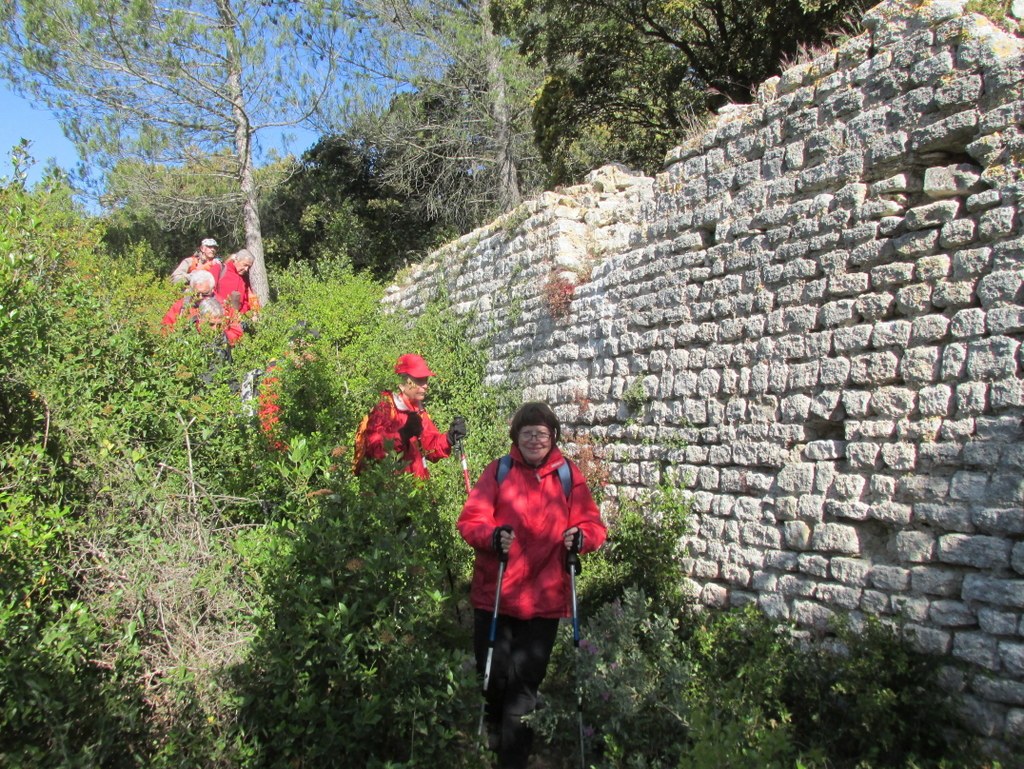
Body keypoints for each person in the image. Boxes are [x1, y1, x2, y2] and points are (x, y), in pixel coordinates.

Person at [457, 402, 607, 769]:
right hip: (496, 594)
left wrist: (581, 537)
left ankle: (514, 758)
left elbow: (594, 526)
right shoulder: (499, 471)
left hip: (545, 599)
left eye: (542, 433)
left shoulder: (569, 475)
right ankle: (493, 723)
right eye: (527, 434)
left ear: (553, 436)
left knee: (525, 688)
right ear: (516, 438)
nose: (535, 440)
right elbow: (470, 520)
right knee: (492, 678)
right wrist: (492, 537)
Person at [355, 353, 467, 479]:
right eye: (419, 380)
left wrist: (449, 438)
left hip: (416, 491)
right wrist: (402, 436)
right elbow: (376, 454)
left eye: (426, 379)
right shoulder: (384, 408)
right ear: (401, 384)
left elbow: (429, 448)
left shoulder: (418, 409)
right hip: (391, 492)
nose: (425, 385)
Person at [162, 270, 243, 346]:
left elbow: (237, 332)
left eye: (204, 294)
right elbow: (166, 328)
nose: (200, 297)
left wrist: (220, 338)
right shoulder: (182, 305)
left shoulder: (224, 306)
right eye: (196, 294)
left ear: (212, 289)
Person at [215, 248, 260, 316]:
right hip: (217, 315)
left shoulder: (245, 279)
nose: (246, 269)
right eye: (245, 265)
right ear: (236, 260)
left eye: (249, 267)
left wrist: (241, 312)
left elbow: (246, 300)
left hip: (236, 319)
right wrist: (222, 305)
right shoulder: (220, 269)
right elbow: (209, 291)